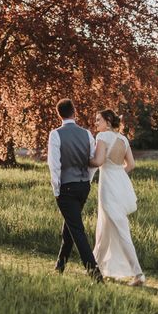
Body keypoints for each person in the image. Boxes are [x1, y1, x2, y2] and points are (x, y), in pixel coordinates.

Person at [47, 98, 103, 282]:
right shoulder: (87, 134)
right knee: (70, 226)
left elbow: (54, 165)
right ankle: (60, 265)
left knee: (76, 230)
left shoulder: (55, 135)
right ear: (74, 111)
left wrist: (57, 190)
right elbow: (93, 162)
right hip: (83, 186)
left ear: (59, 114)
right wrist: (87, 180)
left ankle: (95, 274)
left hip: (66, 188)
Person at [89, 109, 145, 287]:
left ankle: (138, 274)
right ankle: (93, 266)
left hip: (108, 188)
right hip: (120, 185)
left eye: (98, 120)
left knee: (121, 229)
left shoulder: (102, 138)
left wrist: (81, 158)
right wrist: (118, 174)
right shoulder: (123, 139)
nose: (96, 123)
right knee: (104, 226)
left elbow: (98, 162)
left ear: (107, 120)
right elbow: (131, 165)